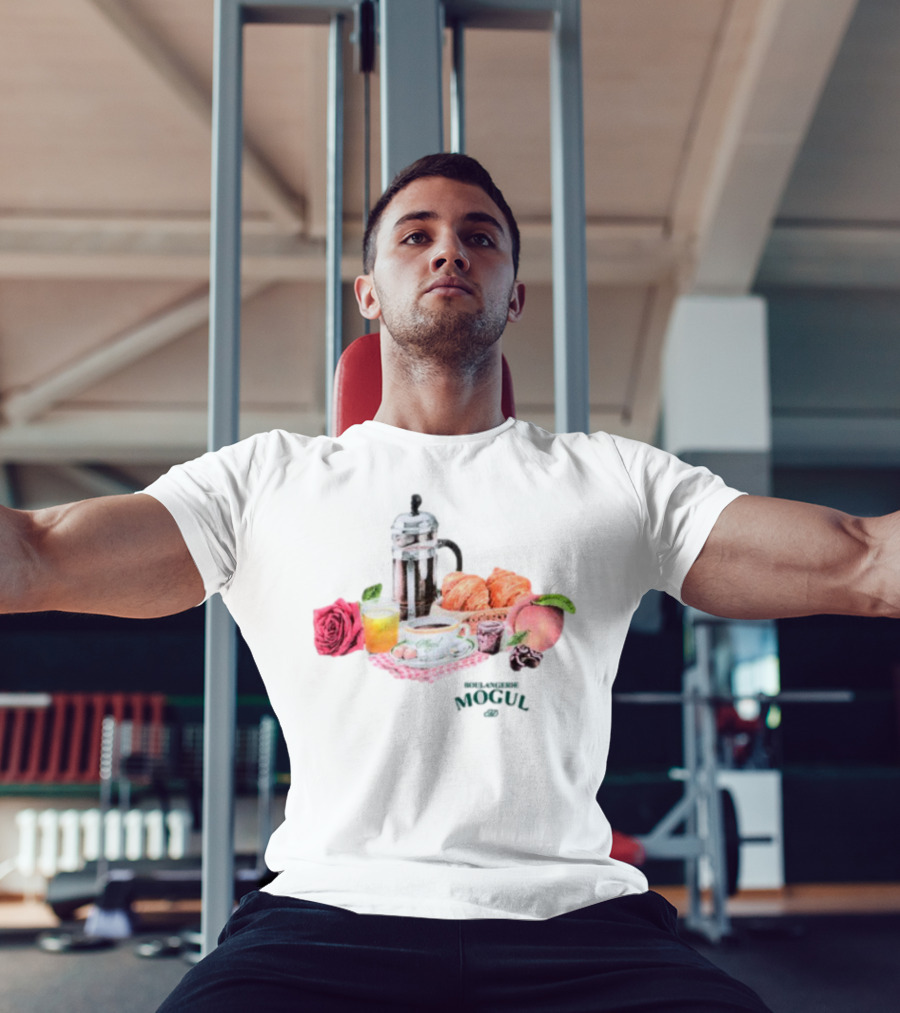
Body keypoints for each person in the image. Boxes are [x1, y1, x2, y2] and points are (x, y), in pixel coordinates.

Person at [4, 153, 898, 1012]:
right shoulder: (263, 482)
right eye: (416, 235)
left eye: (479, 236)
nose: (449, 252)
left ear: (515, 294)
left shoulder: (613, 479)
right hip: (326, 912)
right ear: (368, 293)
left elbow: (861, 559)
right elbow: (41, 553)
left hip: (574, 919)